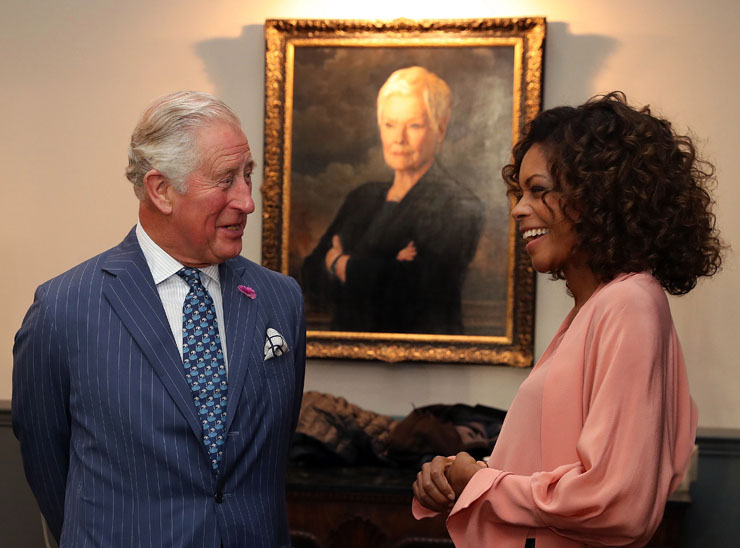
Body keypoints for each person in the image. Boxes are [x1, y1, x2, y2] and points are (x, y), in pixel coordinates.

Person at [412, 92, 723, 547]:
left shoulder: (629, 303)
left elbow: (614, 502)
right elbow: (551, 472)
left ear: (598, 197)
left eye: (539, 190)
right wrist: (461, 478)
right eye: (519, 192)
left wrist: (476, 483)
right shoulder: (595, 307)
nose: (518, 208)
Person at [12, 91, 306, 547]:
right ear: (161, 190)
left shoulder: (280, 299)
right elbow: (47, 465)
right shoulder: (65, 308)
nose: (247, 201)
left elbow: (272, 452)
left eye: (247, 176)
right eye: (226, 180)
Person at [301, 66, 484, 334]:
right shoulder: (362, 198)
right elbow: (310, 277)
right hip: (348, 356)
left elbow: (415, 291)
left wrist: (340, 262)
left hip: (429, 364)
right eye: (390, 125)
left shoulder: (459, 205)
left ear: (440, 129)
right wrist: (385, 267)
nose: (399, 138)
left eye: (414, 125)